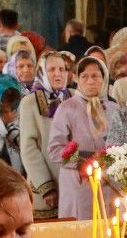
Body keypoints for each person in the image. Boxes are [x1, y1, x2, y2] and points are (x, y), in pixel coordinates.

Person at [48, 56, 117, 220]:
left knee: (110, 228)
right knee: (82, 229)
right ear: (76, 79)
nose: (90, 81)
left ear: (104, 78)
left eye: (95, 76)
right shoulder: (67, 108)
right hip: (79, 183)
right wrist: (82, 159)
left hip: (108, 183)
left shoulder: (114, 108)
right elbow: (54, 150)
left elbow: (122, 142)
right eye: (85, 76)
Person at [17, 50, 77, 218]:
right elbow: (29, 149)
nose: (58, 74)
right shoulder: (29, 102)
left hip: (73, 183)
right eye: (51, 69)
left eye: (62, 69)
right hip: (46, 187)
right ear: (42, 72)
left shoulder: (75, 97)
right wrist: (46, 185)